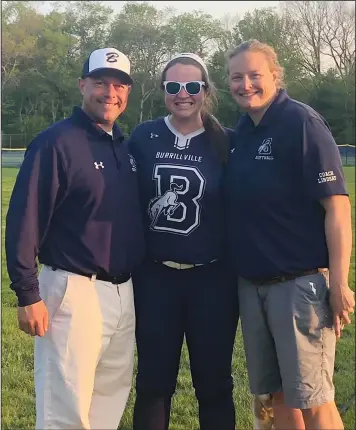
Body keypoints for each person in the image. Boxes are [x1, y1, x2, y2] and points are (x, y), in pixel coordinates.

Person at [5, 47, 145, 429]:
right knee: (65, 412)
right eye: (100, 82)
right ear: (82, 85)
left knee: (107, 404)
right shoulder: (56, 142)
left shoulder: (124, 146)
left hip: (122, 293)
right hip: (72, 289)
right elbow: (24, 221)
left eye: (119, 85)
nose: (110, 92)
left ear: (128, 93)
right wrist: (27, 294)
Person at [224, 39, 355, 430]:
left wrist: (340, 282)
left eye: (254, 75)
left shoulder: (301, 122)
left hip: (299, 286)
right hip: (253, 286)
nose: (245, 84)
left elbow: (337, 207)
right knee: (275, 396)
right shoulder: (244, 130)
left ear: (275, 76)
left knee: (313, 399)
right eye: (236, 77)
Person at [128, 53, 239, 430]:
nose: (183, 94)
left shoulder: (227, 141)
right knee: (153, 383)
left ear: (205, 90)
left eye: (192, 86)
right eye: (173, 87)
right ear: (163, 91)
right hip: (155, 277)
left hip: (212, 278)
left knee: (214, 384)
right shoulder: (144, 137)